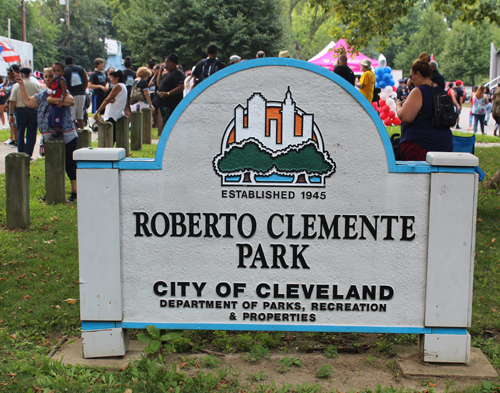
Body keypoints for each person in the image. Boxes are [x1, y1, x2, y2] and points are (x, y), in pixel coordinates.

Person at [14, 67, 78, 201]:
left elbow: (71, 101)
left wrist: (52, 100)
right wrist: (21, 84)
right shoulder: (42, 95)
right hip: (49, 136)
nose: (48, 79)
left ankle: (75, 192)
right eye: (46, 76)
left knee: (69, 164)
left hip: (66, 134)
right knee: (52, 165)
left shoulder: (61, 92)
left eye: (50, 76)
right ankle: (53, 191)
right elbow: (27, 101)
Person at [396, 53, 453, 161]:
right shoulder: (441, 90)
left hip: (422, 146)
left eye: (411, 76)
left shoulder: (418, 91)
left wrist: (398, 106)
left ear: (418, 74)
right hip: (445, 145)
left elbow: (406, 117)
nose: (411, 79)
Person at [9, 67, 41, 158]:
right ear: (29, 74)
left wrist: (11, 114)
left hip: (20, 111)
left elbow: (12, 101)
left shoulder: (16, 85)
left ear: (21, 74)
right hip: (33, 111)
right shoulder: (35, 85)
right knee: (31, 134)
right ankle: (28, 154)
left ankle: (21, 153)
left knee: (20, 133)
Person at [93, 70, 127, 145]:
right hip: (115, 113)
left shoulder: (118, 86)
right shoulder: (122, 86)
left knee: (109, 137)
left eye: (111, 77)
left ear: (117, 78)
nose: (109, 79)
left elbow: (107, 99)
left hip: (113, 114)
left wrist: (98, 111)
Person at [157, 54, 185, 125]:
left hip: (171, 104)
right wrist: (160, 71)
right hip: (164, 103)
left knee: (169, 124)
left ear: (172, 63)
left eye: (167, 61)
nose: (165, 63)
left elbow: (181, 87)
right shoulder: (168, 73)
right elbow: (158, 84)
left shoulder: (177, 73)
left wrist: (168, 93)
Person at [63, 55, 88, 129]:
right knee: (80, 115)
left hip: (72, 95)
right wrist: (84, 89)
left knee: (72, 116)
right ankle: (82, 130)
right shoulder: (81, 68)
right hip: (82, 94)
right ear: (72, 61)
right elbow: (86, 79)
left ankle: (73, 131)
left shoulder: (65, 71)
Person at [47, 62, 67, 137]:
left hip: (58, 103)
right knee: (52, 117)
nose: (56, 73)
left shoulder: (61, 80)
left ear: (63, 72)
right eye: (54, 70)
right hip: (53, 103)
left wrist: (61, 101)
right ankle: (55, 131)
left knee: (57, 118)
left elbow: (63, 91)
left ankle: (59, 133)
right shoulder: (54, 81)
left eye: (58, 71)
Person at [4, 65, 19, 146]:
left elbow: (12, 94)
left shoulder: (16, 82)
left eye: (10, 72)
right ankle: (12, 138)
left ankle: (17, 139)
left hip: (13, 104)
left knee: (15, 123)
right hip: (9, 104)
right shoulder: (9, 81)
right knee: (11, 122)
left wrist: (7, 102)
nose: (8, 74)